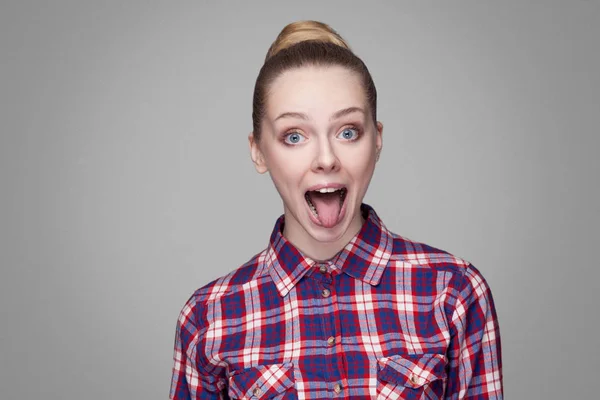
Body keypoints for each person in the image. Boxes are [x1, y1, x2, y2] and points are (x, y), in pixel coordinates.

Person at [169, 20, 503, 400]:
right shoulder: (209, 318)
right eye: (294, 136)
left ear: (377, 140)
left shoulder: (453, 292)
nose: (326, 159)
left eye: (348, 132)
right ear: (258, 150)